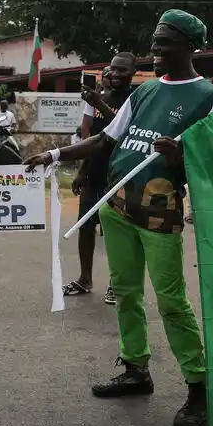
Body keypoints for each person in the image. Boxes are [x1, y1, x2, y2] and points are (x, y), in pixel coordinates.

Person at [25, 10, 213, 426]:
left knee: (171, 303)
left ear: (189, 46)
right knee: (128, 292)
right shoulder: (146, 92)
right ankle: (136, 370)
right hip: (117, 208)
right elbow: (105, 138)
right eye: (154, 41)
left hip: (159, 213)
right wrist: (55, 155)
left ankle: (199, 387)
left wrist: (182, 158)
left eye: (164, 42)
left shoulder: (211, 98)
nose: (154, 49)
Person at [67, 56, 136, 306]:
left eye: (122, 70)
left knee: (115, 232)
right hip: (94, 173)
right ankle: (85, 279)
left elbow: (125, 131)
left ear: (133, 72)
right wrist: (82, 171)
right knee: (85, 227)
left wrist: (99, 103)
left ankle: (115, 284)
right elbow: (95, 139)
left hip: (119, 175)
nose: (116, 74)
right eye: (112, 69)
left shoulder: (137, 99)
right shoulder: (100, 99)